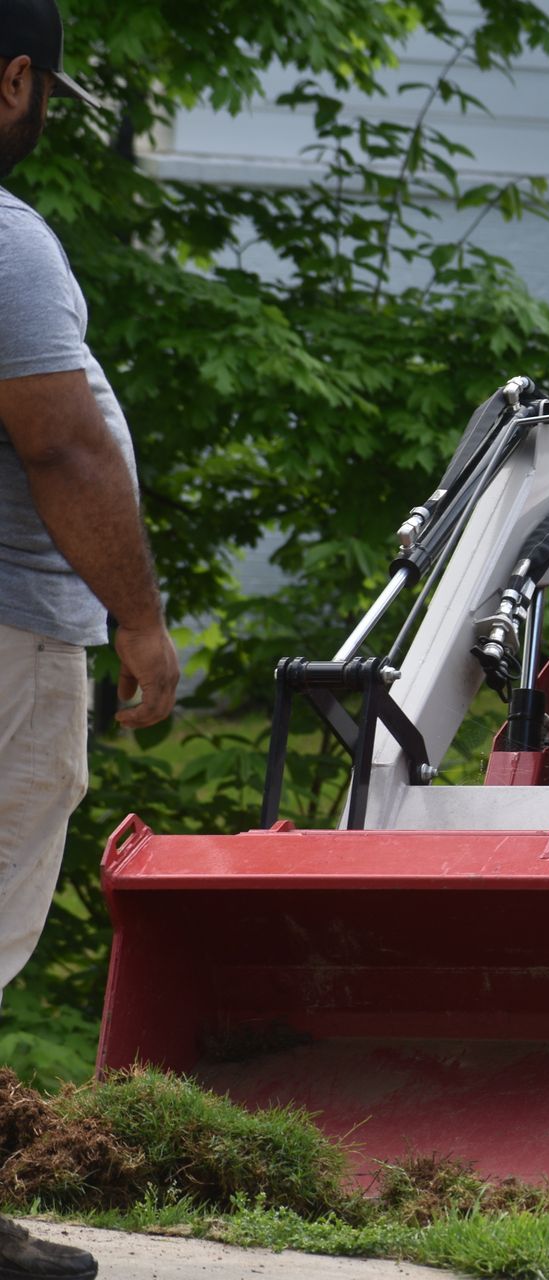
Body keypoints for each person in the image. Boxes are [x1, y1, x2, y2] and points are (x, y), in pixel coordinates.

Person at [0, 2, 178, 1275]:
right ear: (15, 80)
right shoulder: (6, 242)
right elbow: (63, 445)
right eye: (50, 93)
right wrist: (141, 617)